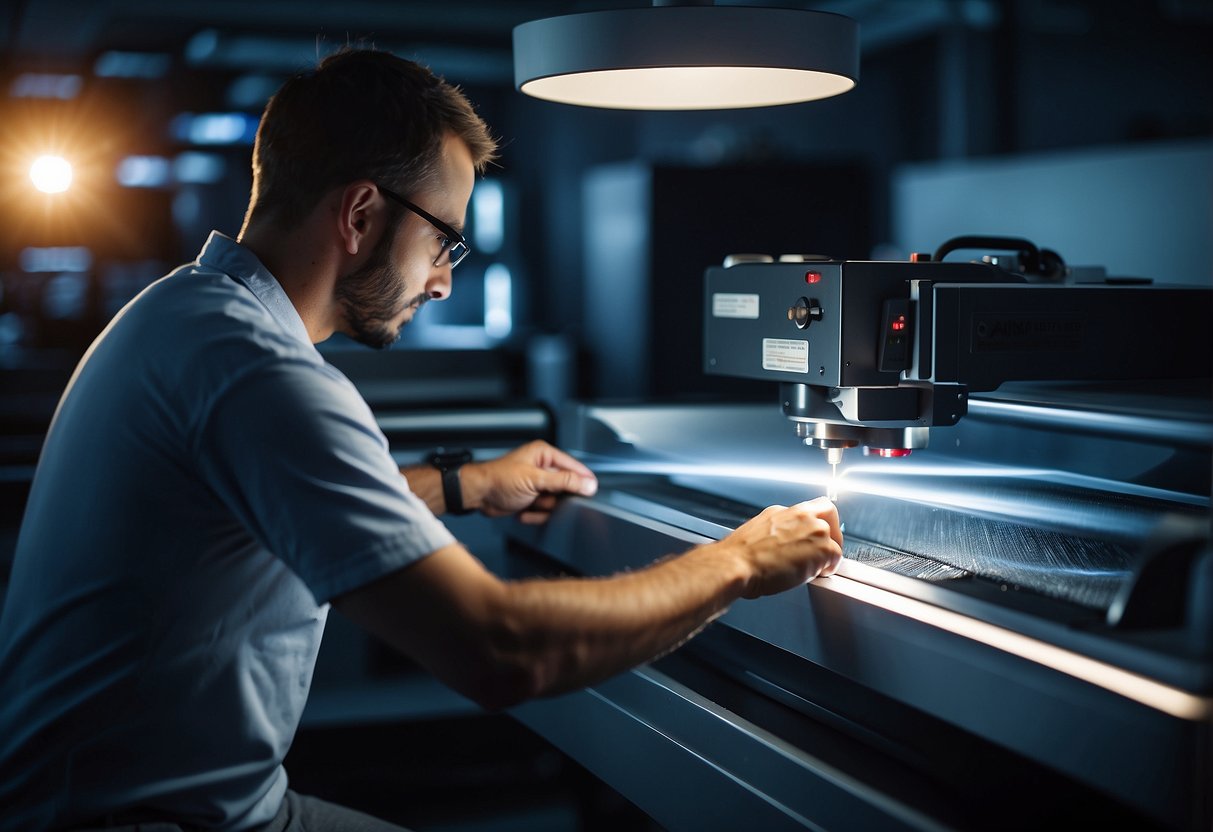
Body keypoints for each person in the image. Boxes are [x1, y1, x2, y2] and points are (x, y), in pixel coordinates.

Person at [0, 49, 843, 831]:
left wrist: (467, 484)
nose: (443, 280)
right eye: (443, 240)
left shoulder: (182, 315)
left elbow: (274, 509)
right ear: (361, 213)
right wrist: (740, 559)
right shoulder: (259, 372)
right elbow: (498, 651)